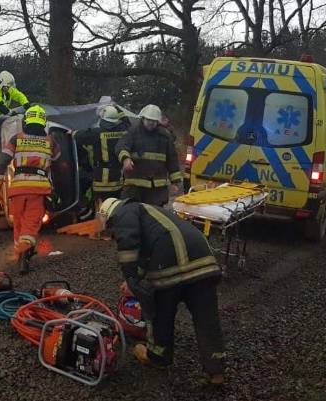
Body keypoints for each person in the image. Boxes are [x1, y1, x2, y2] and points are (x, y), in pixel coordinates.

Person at [97, 197, 226, 385]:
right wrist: (135, 277)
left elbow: (129, 244)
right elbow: (148, 252)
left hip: (171, 265)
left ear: (110, 215)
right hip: (203, 262)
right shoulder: (151, 212)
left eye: (111, 230)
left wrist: (132, 279)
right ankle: (216, 370)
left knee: (159, 310)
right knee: (207, 317)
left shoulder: (126, 211)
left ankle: (158, 356)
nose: (113, 235)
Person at [0, 104, 60, 274]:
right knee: (31, 224)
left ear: (26, 121)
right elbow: (58, 157)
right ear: (43, 122)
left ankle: (21, 253)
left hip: (17, 188)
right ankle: (24, 255)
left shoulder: (16, 139)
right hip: (38, 189)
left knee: (19, 222)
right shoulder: (50, 141)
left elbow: (2, 162)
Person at [115, 104, 183, 206]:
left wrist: (175, 182)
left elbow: (172, 160)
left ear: (158, 121)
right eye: (149, 120)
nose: (151, 123)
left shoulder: (165, 136)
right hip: (135, 188)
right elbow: (121, 146)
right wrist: (125, 159)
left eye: (154, 121)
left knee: (154, 217)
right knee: (133, 214)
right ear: (143, 118)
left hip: (157, 190)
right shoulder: (133, 132)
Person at [74, 105, 131, 204]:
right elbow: (127, 122)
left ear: (102, 119)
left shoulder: (95, 133)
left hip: (101, 181)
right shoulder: (123, 132)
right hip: (118, 179)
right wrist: (116, 109)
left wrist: (73, 132)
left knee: (101, 209)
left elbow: (77, 136)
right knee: (115, 207)